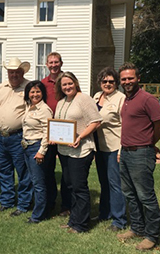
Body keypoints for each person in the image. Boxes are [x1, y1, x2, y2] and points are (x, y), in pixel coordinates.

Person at [116, 62, 160, 251]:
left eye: (130, 78)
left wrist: (150, 143)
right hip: (126, 152)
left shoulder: (147, 99)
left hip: (141, 153)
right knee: (130, 193)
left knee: (145, 195)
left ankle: (152, 235)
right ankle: (137, 227)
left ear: (138, 78)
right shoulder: (126, 99)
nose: (127, 81)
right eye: (124, 79)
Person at [54, 72, 102, 233]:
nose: (67, 87)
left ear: (75, 83)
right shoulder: (61, 101)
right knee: (69, 185)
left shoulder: (84, 99)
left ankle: (81, 224)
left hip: (81, 150)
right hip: (64, 150)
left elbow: (96, 122)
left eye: (70, 83)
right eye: (64, 85)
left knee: (79, 187)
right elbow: (58, 124)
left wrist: (80, 136)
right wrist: (54, 137)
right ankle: (74, 219)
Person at [0, 57, 33, 216]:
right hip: (2, 137)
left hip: (18, 136)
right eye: (11, 72)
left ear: (22, 72)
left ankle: (23, 204)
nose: (14, 75)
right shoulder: (1, 88)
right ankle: (6, 201)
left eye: (17, 72)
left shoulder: (28, 87)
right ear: (8, 73)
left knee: (23, 172)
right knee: (4, 170)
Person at [93, 67, 127, 231]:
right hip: (99, 147)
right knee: (103, 182)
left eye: (111, 81)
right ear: (100, 82)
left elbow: (125, 126)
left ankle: (119, 219)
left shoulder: (121, 99)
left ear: (116, 83)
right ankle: (104, 212)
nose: (107, 84)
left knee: (115, 184)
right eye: (104, 81)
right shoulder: (96, 97)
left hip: (114, 147)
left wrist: (121, 149)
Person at [41, 52, 71, 216]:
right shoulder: (43, 84)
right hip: (50, 131)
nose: (53, 65)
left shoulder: (66, 81)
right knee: (47, 169)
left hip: (65, 130)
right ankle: (50, 202)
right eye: (50, 62)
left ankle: (66, 205)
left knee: (67, 170)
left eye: (56, 62)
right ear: (47, 65)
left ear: (61, 63)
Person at [22, 80, 53, 223]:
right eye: (32, 92)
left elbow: (48, 131)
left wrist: (42, 151)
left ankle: (38, 215)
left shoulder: (44, 109)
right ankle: (42, 210)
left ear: (43, 93)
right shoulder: (29, 107)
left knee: (38, 183)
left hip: (36, 147)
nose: (35, 94)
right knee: (35, 181)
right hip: (27, 147)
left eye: (38, 92)